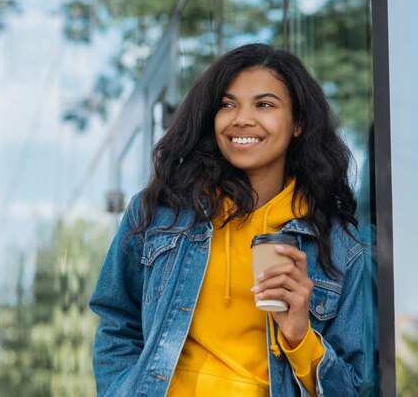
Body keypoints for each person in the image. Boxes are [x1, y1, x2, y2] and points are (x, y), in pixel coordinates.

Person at [89, 43, 370, 396]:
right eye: (227, 104)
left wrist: (301, 338)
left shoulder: (340, 249)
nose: (241, 119)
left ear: (297, 122)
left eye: (264, 104)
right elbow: (117, 324)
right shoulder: (161, 213)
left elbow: (355, 387)